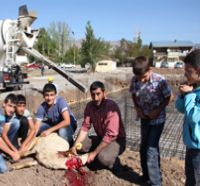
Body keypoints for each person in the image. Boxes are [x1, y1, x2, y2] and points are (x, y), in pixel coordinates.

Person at [129, 56, 173, 185]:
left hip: (157, 120)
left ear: (150, 70)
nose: (141, 80)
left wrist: (157, 110)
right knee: (143, 148)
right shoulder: (135, 80)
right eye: (139, 78)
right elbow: (132, 93)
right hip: (144, 118)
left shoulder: (160, 80)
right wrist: (137, 108)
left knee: (151, 149)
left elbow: (169, 97)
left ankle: (156, 183)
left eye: (144, 77)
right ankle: (146, 176)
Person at [70, 81, 126, 173]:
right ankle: (98, 152)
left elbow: (110, 135)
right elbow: (85, 127)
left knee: (102, 158)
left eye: (98, 94)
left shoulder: (111, 107)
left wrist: (94, 153)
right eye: (93, 95)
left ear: (104, 93)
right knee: (80, 146)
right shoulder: (90, 106)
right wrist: (74, 146)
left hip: (116, 141)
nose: (95, 98)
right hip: (101, 138)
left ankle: (115, 163)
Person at [175, 49, 200, 186]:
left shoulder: (195, 93)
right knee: (190, 178)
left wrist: (190, 95)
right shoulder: (194, 88)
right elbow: (180, 108)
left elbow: (194, 117)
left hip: (199, 148)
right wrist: (182, 95)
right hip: (191, 145)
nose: (185, 74)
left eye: (189, 72)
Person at [0, 94, 20, 174]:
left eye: (14, 107)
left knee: (16, 122)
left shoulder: (6, 115)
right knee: (3, 169)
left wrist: (14, 150)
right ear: (4, 104)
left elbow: (1, 136)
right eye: (10, 106)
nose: (12, 109)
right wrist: (12, 153)